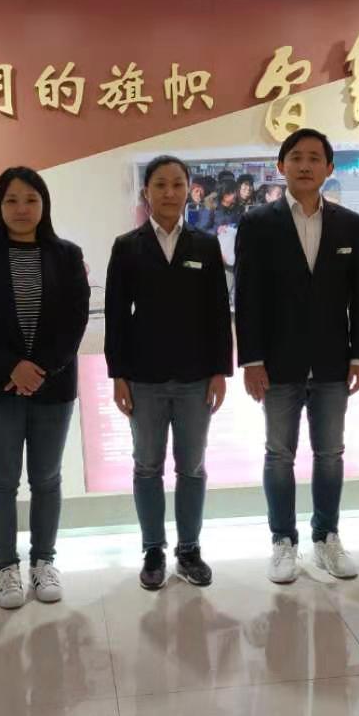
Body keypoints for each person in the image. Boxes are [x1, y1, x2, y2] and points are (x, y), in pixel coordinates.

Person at [234, 128, 359, 584]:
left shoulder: (348, 223)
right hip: (277, 363)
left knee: (330, 453)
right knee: (279, 455)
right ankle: (283, 541)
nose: (306, 165)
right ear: (281, 166)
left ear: (329, 167)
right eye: (297, 157)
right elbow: (247, 296)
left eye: (315, 158)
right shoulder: (258, 222)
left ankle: (326, 537)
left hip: (333, 361)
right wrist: (251, 360)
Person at [0, 166, 90, 611]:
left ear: (44, 204)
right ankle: (6, 568)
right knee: (2, 480)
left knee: (47, 479)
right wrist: (15, 367)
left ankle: (43, 562)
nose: (21, 209)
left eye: (31, 199)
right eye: (11, 200)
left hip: (53, 385)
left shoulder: (67, 255)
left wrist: (40, 369)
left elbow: (75, 320)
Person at [105, 155, 233, 591]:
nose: (169, 192)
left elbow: (218, 312)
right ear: (146, 192)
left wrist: (220, 371)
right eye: (160, 184)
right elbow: (117, 316)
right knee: (147, 467)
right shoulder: (127, 246)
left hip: (197, 377)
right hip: (144, 378)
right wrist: (118, 375)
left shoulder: (205, 245)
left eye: (177, 184)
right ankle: (153, 550)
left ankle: (189, 550)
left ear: (189, 190)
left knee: (192, 467)